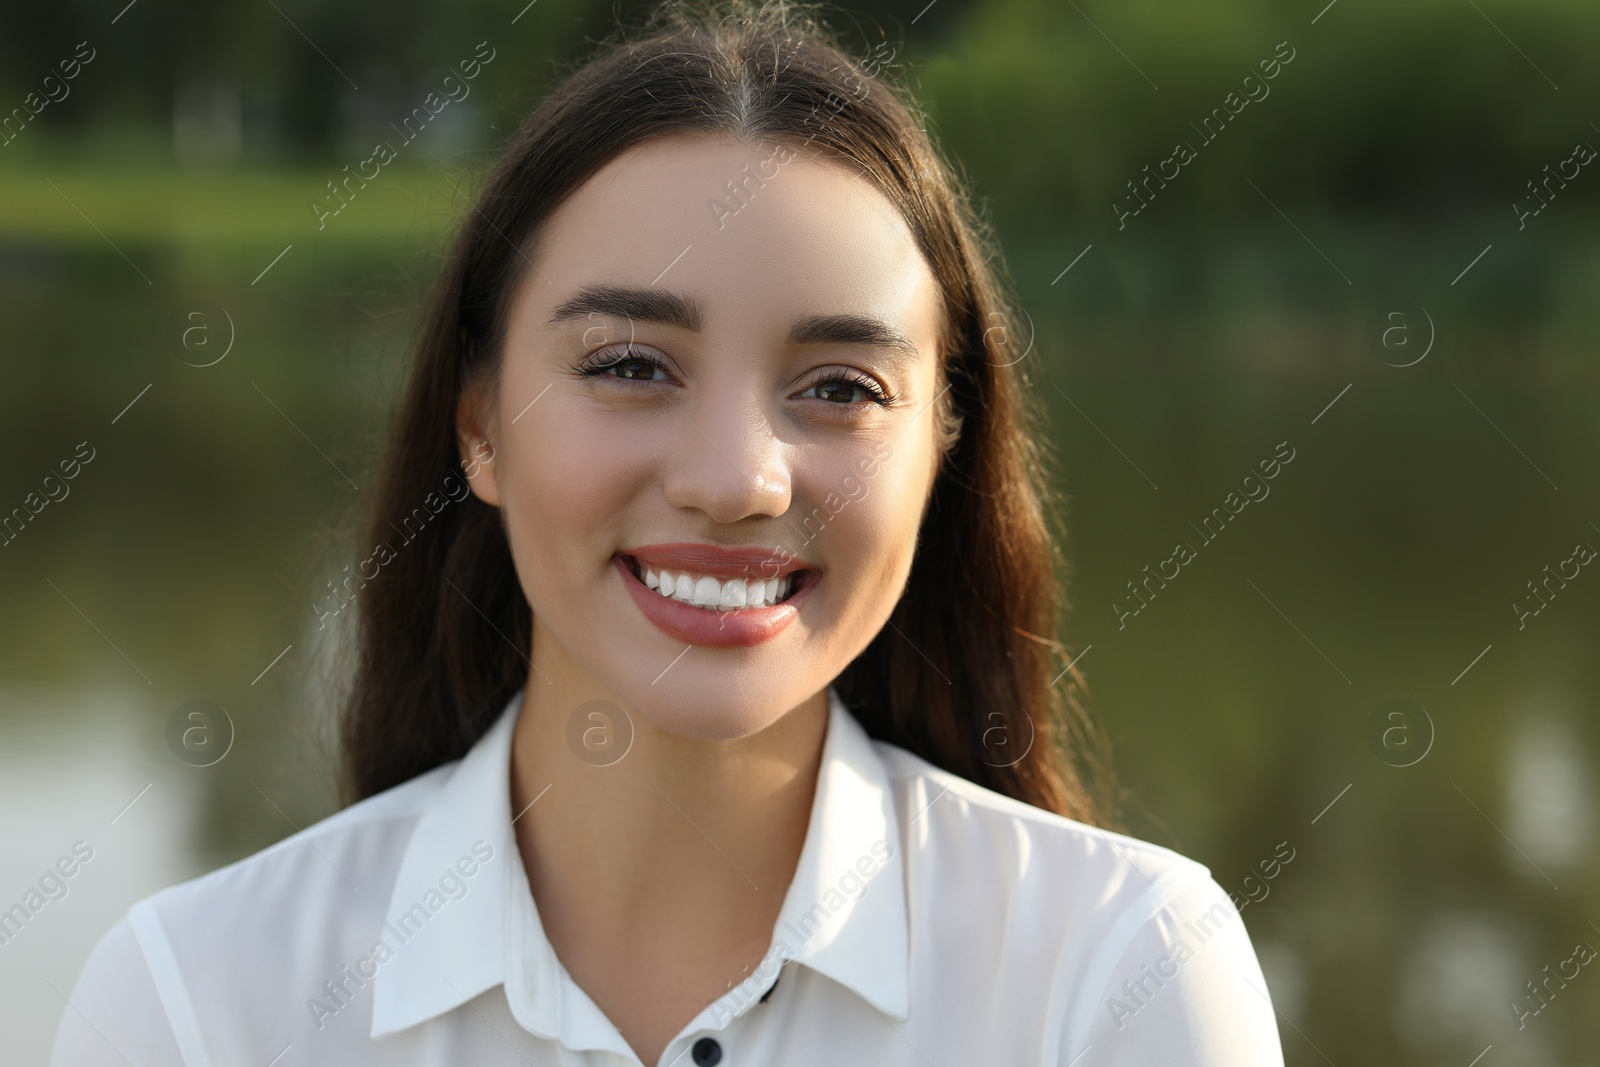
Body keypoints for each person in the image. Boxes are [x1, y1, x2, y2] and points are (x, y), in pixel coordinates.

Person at [51, 1, 1285, 1063]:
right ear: (479, 423)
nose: (736, 479)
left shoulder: (1117, 977)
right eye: (632, 363)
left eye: (840, 385)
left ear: (942, 444)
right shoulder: (197, 1002)